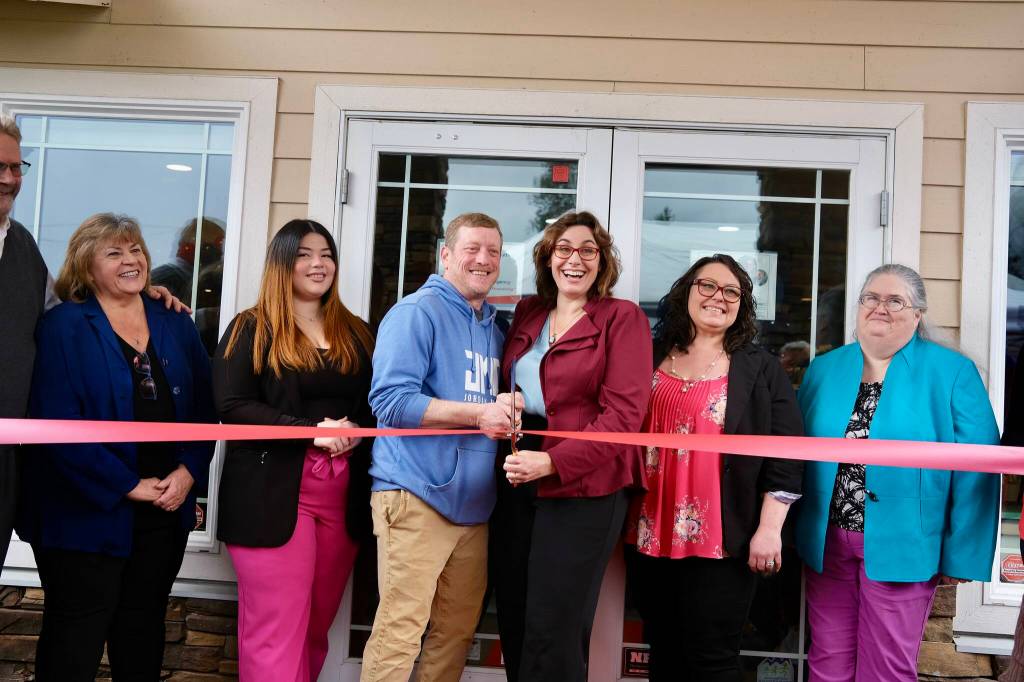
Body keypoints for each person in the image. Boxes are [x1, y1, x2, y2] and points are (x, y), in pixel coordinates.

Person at [18, 213, 215, 681]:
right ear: (87, 269)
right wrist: (127, 484)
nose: (132, 260)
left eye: (136, 250)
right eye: (115, 253)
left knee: (142, 635)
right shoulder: (63, 326)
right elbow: (56, 424)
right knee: (74, 643)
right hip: (83, 513)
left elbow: (206, 413)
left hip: (163, 512)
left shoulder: (175, 321)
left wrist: (188, 472)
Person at [796, 263, 1001, 681]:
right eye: (871, 297)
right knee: (827, 663)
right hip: (826, 543)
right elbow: (795, 457)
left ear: (918, 314)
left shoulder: (952, 372)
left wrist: (962, 552)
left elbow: (980, 469)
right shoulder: (823, 369)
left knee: (886, 669)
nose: (880, 308)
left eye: (895, 301)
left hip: (905, 543)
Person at [0, 114, 185, 568]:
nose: (8, 178)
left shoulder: (21, 247)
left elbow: (61, 314)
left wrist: (137, 293)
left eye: (15, 166)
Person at [622, 254, 804, 681]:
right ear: (687, 290)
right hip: (651, 531)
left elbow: (786, 453)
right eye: (707, 286)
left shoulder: (760, 369)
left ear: (742, 305)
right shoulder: (649, 355)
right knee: (663, 650)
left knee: (713, 659)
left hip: (724, 539)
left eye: (731, 291)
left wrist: (769, 529)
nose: (717, 297)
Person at [361, 212, 521, 682]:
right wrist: (480, 414)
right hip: (414, 496)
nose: (483, 259)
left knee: (454, 635)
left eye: (493, 251)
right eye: (472, 248)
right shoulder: (416, 313)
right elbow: (389, 400)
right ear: (446, 255)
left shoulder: (495, 328)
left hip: (474, 509)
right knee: (400, 633)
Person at [213, 219, 375, 682]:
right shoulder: (250, 327)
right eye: (304, 254)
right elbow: (232, 406)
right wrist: (310, 430)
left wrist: (353, 430)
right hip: (274, 492)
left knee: (315, 628)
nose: (318, 263)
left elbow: (377, 405)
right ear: (282, 262)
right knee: (277, 629)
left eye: (326, 254)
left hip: (342, 496)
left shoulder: (358, 332)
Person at [495, 210, 652, 682]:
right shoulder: (529, 311)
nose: (575, 259)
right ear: (547, 258)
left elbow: (624, 417)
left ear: (602, 261)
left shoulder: (622, 318)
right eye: (564, 249)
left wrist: (553, 462)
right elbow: (526, 378)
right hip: (517, 476)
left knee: (555, 627)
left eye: (588, 250)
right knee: (516, 616)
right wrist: (511, 400)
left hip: (585, 485)